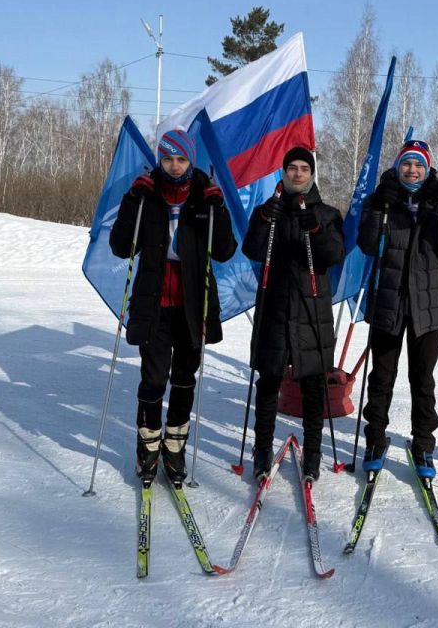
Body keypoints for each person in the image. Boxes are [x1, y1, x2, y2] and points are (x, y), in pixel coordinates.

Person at [110, 128, 237, 486]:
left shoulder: (203, 197)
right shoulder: (146, 195)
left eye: (181, 159)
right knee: (152, 380)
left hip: (192, 306)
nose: (175, 166)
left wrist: (219, 207)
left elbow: (225, 250)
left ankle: (175, 449)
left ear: (190, 160)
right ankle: (147, 451)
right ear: (160, 160)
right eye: (168, 158)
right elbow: (121, 247)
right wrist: (133, 200)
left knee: (183, 380)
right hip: (154, 304)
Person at [356, 139, 438, 479]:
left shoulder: (437, 200)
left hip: (428, 306)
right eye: (407, 163)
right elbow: (366, 244)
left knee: (423, 380)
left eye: (418, 164)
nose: (412, 170)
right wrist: (377, 206)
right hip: (389, 302)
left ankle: (423, 445)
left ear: (427, 167)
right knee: (381, 378)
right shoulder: (385, 199)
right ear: (399, 165)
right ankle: (375, 439)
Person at [242, 146, 345, 482]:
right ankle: (261, 450)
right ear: (283, 172)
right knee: (269, 380)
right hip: (274, 306)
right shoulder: (269, 210)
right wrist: (261, 220)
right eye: (292, 168)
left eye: (304, 168)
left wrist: (316, 231)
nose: (298, 173)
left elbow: (333, 256)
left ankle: (313, 454)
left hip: (311, 309)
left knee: (314, 385)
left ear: (312, 174)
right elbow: (252, 250)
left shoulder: (327, 214)